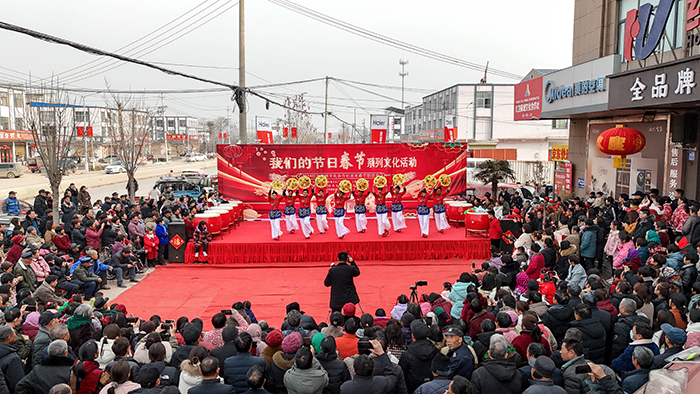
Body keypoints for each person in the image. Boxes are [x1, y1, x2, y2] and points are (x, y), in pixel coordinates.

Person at [399, 320, 437, 394]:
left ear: (413, 336)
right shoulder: (435, 350)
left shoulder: (407, 354)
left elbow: (402, 375)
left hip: (413, 389)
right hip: (432, 388)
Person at [0, 325, 24, 392]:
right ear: (9, 338)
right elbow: (17, 383)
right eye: (14, 334)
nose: (15, 335)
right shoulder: (13, 358)